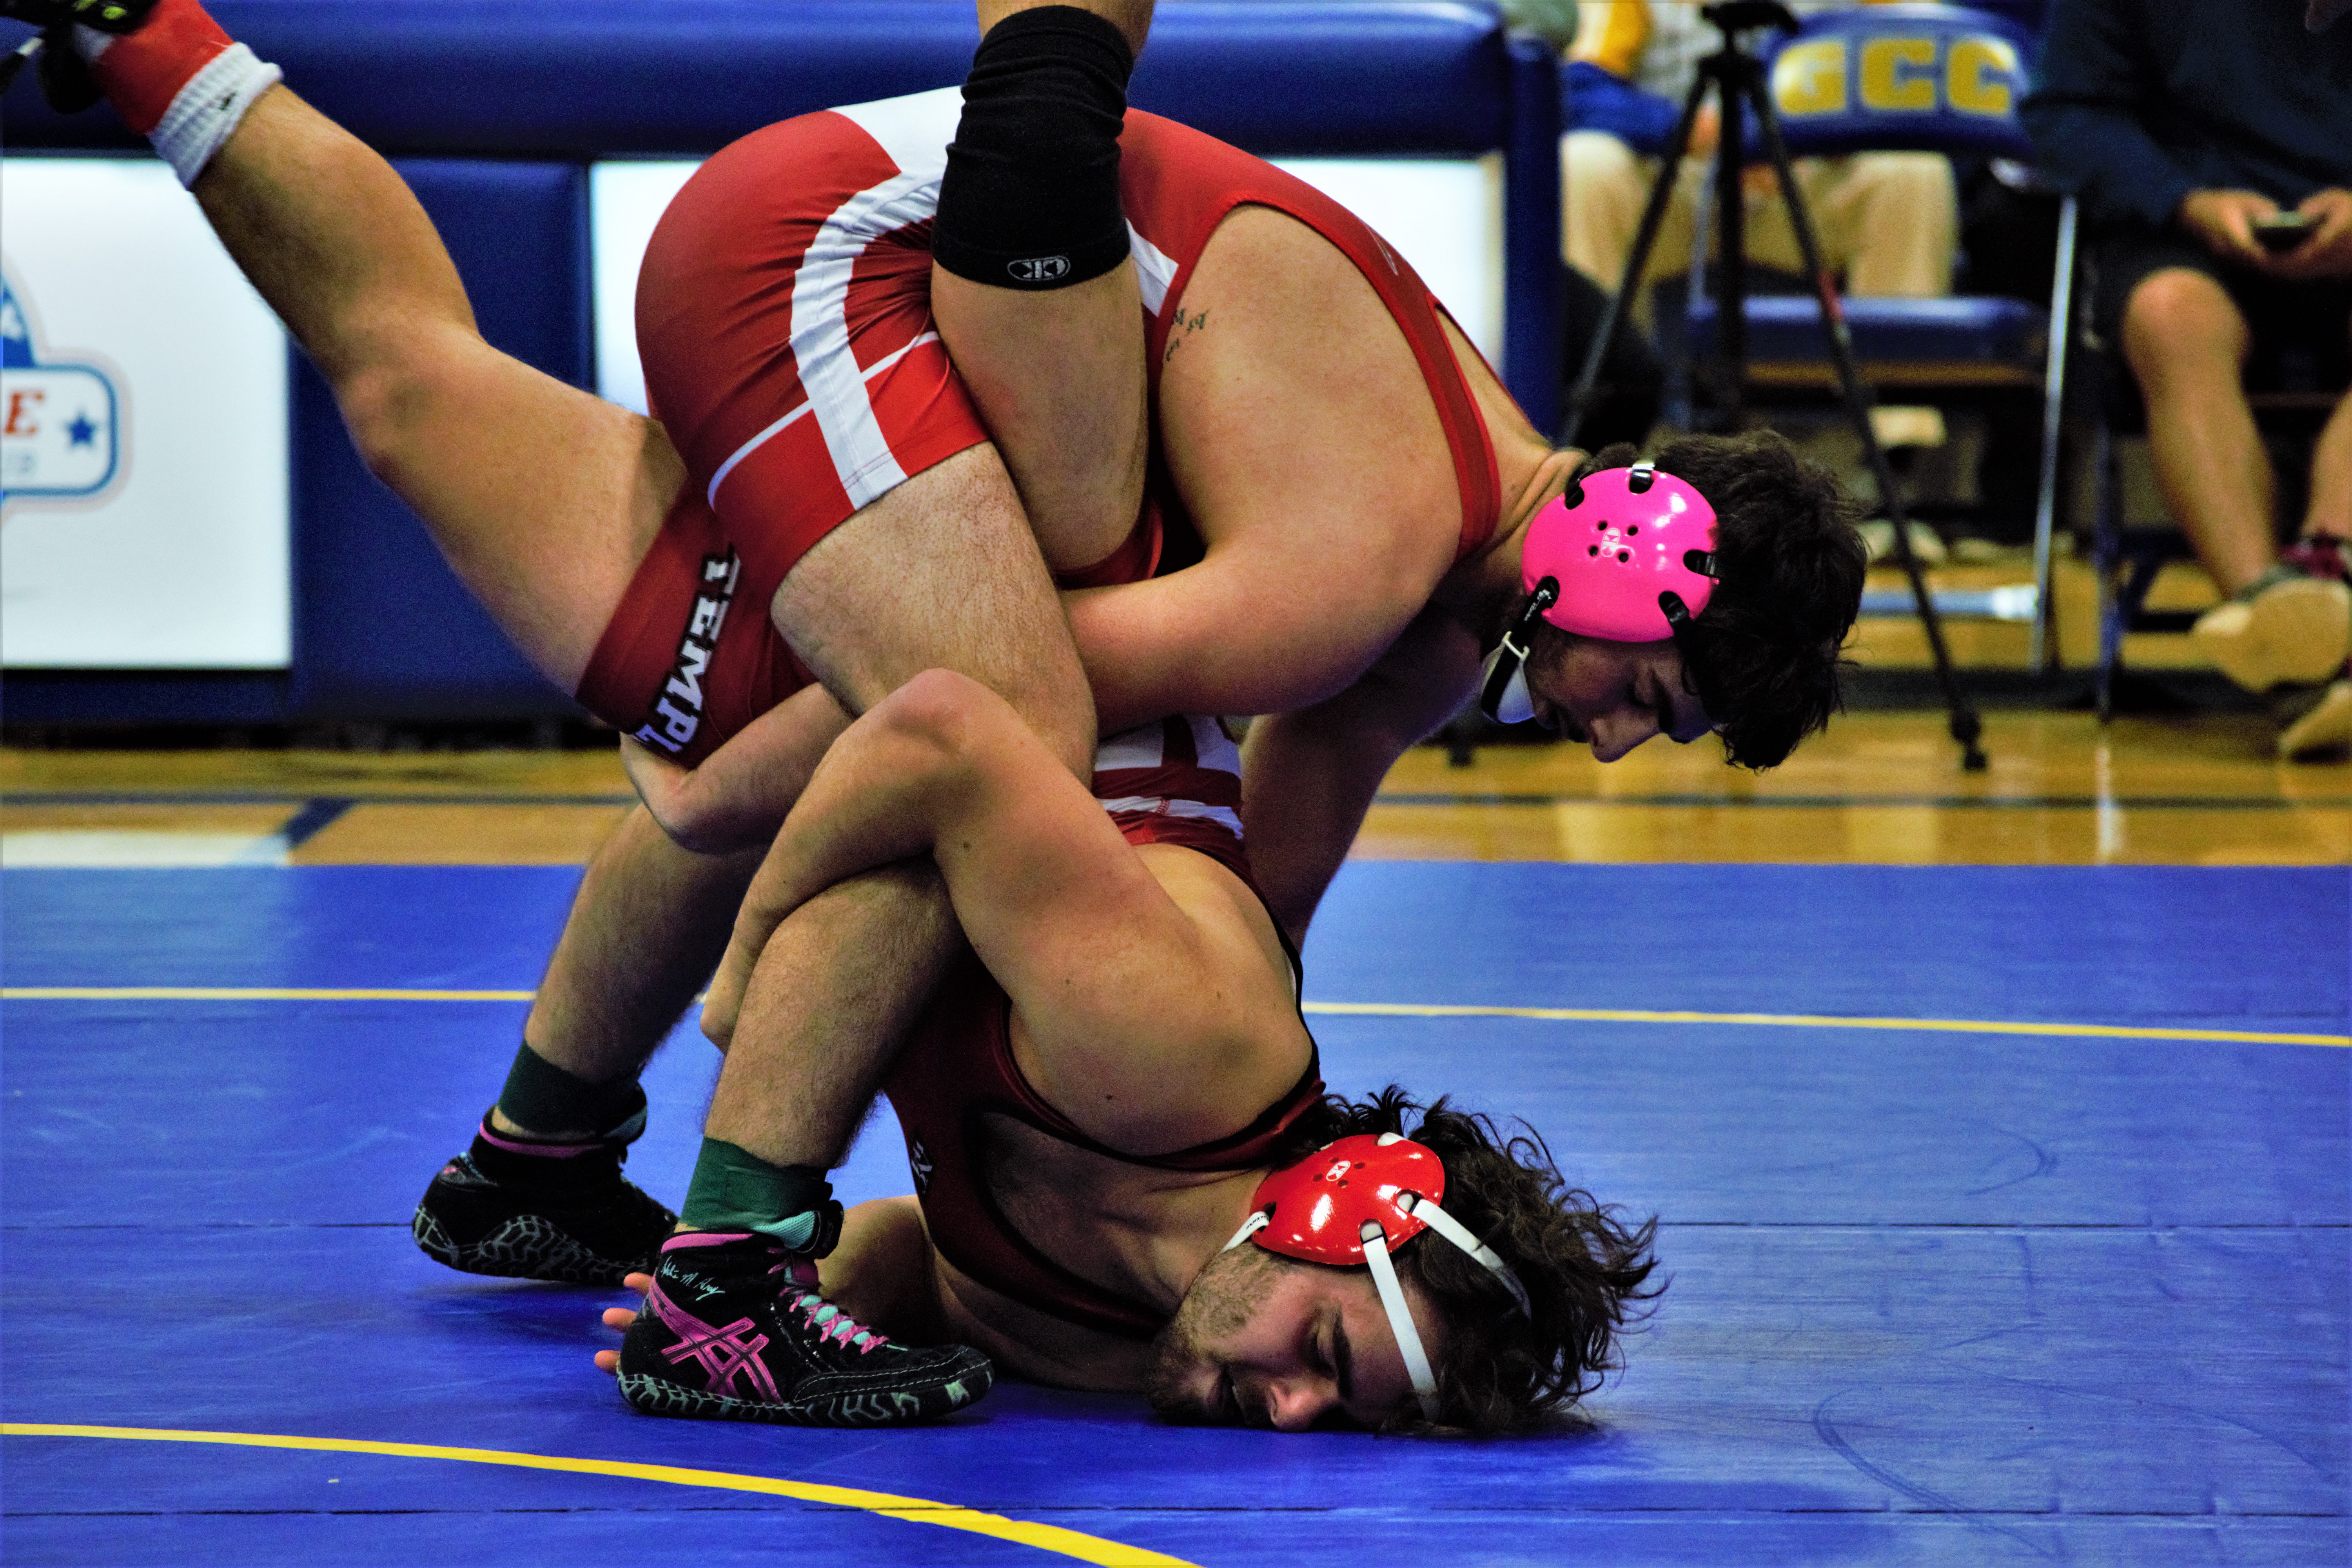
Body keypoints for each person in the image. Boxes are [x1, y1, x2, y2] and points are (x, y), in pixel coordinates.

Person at [17, 0, 1860, 1420]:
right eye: (1659, 694)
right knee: (974, 722)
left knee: (412, 392)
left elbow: (1247, 890)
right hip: (851, 279)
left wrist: (1166, 974)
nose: (1614, 741)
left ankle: (139, 35)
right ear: (1643, 551)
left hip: (897, 395)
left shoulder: (1413, 637)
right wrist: (742, 873)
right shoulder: (1354, 566)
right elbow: (961, 714)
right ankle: (709, 1264)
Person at [595, 664, 1661, 1434]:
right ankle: (550, 1165)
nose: (1289, 1413)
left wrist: (808, 1297)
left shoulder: (1114, 1351)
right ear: (1333, 1211)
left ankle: (546, 1173)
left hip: (884, 726)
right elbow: (942, 734)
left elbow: (928, 1266)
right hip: (1035, 637)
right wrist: (742, 967)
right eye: (1323, 1354)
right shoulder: (1187, 1050)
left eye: (1337, 1415)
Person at [2024, 0, 2352, 761]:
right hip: (2183, 226)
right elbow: (2066, 111)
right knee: (2171, 315)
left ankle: (2327, 576)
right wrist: (2183, 199)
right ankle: (2279, 626)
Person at [1560, 0, 1958, 306]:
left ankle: (1900, 410)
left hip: (1813, 176)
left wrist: (1820, 136)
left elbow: (1933, 68)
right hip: (1682, 176)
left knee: (1913, 170)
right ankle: (1612, 407)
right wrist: (1685, 131)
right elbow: (1578, 90)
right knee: (1583, 165)